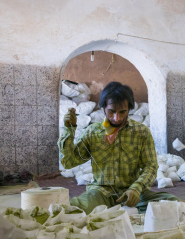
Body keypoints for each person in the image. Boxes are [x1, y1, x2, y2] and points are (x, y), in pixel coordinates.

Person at [58, 81, 178, 214]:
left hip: (133, 193)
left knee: (171, 203)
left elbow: (150, 166)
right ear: (103, 108)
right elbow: (69, 162)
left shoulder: (141, 132)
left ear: (129, 109)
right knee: (75, 209)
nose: (117, 118)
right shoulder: (93, 131)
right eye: (111, 111)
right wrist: (69, 130)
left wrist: (136, 188)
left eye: (122, 112)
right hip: (101, 193)